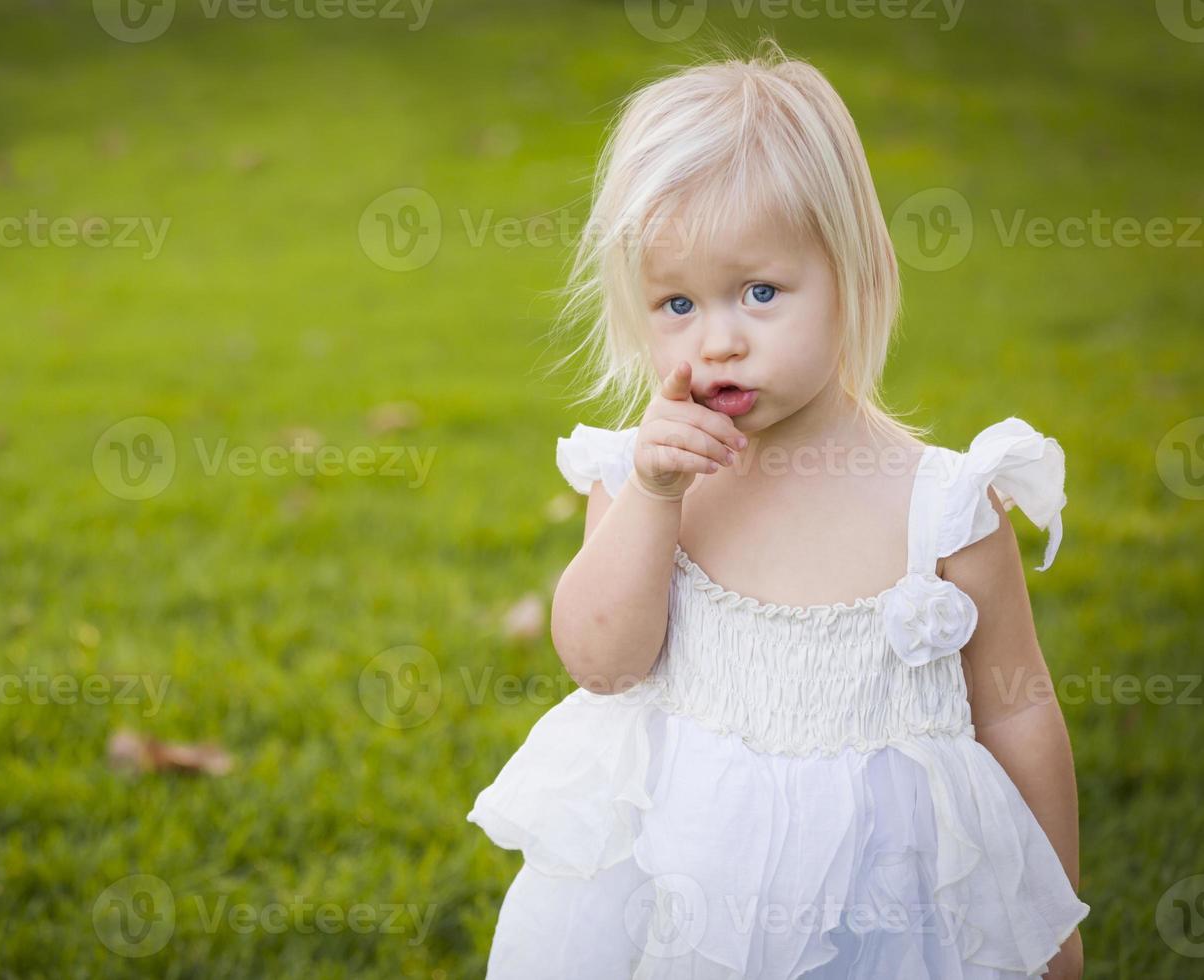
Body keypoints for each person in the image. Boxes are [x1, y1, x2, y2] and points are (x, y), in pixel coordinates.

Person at [466, 40, 1088, 979]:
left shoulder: (943, 509)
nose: (718, 341)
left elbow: (1019, 716)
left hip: (882, 918)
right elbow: (600, 663)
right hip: (674, 907)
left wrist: (1050, 921)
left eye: (760, 293)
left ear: (853, 273)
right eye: (677, 303)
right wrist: (655, 497)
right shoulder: (639, 482)